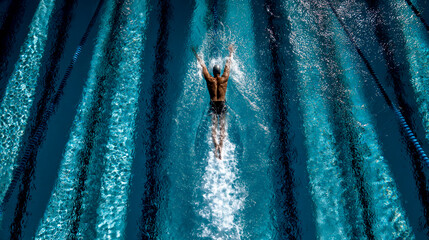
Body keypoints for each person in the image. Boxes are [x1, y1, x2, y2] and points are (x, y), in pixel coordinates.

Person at [192, 44, 235, 159]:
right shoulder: (224, 78)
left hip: (213, 105)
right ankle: (221, 146)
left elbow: (203, 67)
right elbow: (228, 65)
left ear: (213, 71)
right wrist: (230, 52)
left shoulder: (209, 80)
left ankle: (215, 145)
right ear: (219, 72)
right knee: (222, 128)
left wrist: (196, 54)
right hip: (222, 104)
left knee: (213, 127)